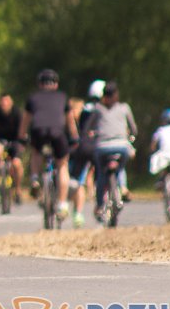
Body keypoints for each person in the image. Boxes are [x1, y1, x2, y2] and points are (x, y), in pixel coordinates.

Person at [18, 69, 75, 221]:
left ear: (40, 84)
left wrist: (21, 137)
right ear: (56, 84)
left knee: (36, 152)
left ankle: (35, 178)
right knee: (62, 164)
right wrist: (74, 137)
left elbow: (25, 120)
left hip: (39, 131)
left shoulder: (33, 98)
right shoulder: (63, 96)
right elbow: (70, 120)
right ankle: (62, 204)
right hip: (57, 132)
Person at [82, 81, 136, 222]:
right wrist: (131, 135)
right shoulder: (125, 108)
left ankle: (100, 205)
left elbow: (87, 128)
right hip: (121, 146)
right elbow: (133, 128)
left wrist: (90, 134)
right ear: (116, 95)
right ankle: (123, 187)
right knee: (121, 167)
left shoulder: (98, 109)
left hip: (102, 147)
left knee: (100, 174)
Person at [67, 80, 104, 227]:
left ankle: (78, 213)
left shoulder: (86, 110)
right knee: (102, 177)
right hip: (101, 147)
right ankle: (101, 205)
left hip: (85, 147)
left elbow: (81, 132)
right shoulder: (106, 109)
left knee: (79, 181)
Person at [0, 93, 24, 204]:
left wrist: (23, 140)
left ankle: (17, 189)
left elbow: (23, 128)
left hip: (15, 141)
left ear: (11, 102)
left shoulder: (17, 113)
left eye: (7, 101)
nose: (4, 104)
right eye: (2, 102)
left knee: (17, 164)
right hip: (0, 141)